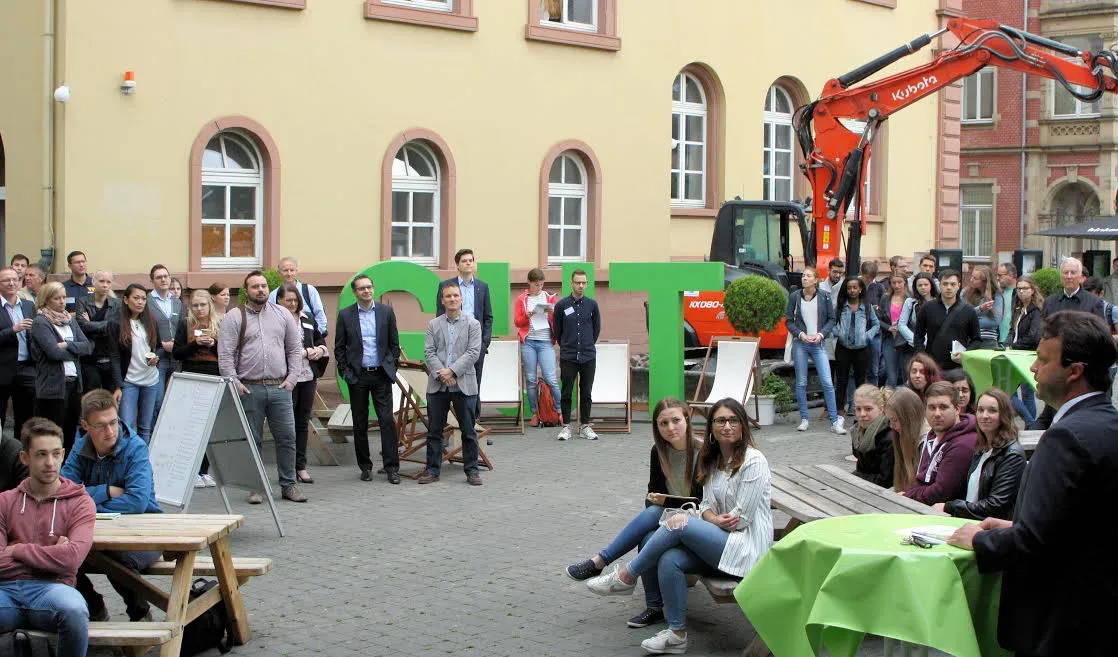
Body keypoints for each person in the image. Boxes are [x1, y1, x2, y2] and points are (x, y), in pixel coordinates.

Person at [948, 311, 1118, 657]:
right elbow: (1085, 523)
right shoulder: (1107, 425)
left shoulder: (1065, 438)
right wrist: (1016, 525)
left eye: (1043, 359)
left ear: (1074, 371)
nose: (1034, 368)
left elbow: (1033, 543)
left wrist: (980, 540)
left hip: (1062, 624)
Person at [585, 398, 773, 656]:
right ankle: (677, 634)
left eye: (733, 420)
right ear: (711, 426)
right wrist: (711, 518)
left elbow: (740, 520)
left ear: (743, 425)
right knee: (670, 558)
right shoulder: (713, 461)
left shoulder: (754, 460)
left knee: (679, 523)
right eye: (720, 420)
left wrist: (708, 520)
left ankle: (627, 576)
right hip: (721, 544)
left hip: (747, 550)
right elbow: (706, 504)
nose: (727, 426)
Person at [564, 398, 702, 630]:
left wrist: (663, 504)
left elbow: (705, 501)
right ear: (657, 427)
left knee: (654, 516)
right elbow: (652, 495)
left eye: (676, 420)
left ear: (687, 420)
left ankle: (600, 562)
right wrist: (657, 501)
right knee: (648, 536)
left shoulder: (703, 452)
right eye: (663, 423)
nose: (671, 428)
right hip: (668, 519)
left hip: (695, 523)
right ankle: (654, 608)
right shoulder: (658, 452)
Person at [63, 390, 161, 623]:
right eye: (101, 425)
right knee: (59, 553)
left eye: (113, 422)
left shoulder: (135, 448)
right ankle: (94, 606)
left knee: (112, 555)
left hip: (146, 533)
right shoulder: (80, 448)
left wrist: (85, 505)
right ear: (85, 426)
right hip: (97, 532)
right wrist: (106, 490)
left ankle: (140, 614)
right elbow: (63, 494)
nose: (110, 431)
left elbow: (136, 502)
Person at [0, 418, 95, 657]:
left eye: (55, 454)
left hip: (53, 590)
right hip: (5, 591)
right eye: (41, 454)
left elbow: (72, 559)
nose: (50, 463)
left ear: (63, 454)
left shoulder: (80, 503)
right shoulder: (5, 501)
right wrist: (53, 556)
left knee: (74, 610)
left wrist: (17, 549)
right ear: (25, 458)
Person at [217, 270, 307, 504]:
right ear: (246, 291)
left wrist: (292, 378)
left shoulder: (283, 314)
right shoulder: (234, 317)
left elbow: (294, 349)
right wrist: (234, 382)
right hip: (249, 388)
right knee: (252, 441)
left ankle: (289, 485)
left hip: (280, 388)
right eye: (255, 286)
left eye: (264, 286)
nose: (260, 290)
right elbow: (225, 355)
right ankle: (255, 487)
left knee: (287, 437)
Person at [334, 275, 400, 484]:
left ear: (373, 289)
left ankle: (391, 468)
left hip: (381, 374)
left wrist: (392, 366)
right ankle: (365, 467)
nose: (366, 291)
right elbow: (339, 347)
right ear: (355, 292)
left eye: (369, 287)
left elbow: (394, 343)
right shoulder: (346, 315)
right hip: (358, 376)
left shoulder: (386, 312)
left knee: (386, 421)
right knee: (360, 423)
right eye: (362, 288)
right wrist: (346, 372)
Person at [418, 283, 483, 486]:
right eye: (448, 296)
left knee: (468, 431)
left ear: (461, 299)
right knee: (434, 431)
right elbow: (429, 352)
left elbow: (473, 352)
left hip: (464, 384)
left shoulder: (473, 324)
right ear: (442, 300)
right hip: (438, 385)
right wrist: (443, 374)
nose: (452, 299)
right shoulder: (433, 324)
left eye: (455, 295)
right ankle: (432, 470)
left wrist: (453, 371)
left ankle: (472, 471)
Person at [933, 388, 1025, 521]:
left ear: (1004, 415)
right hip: (969, 520)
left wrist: (950, 507)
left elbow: (996, 506)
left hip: (993, 527)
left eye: (992, 410)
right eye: (980, 410)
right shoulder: (981, 448)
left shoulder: (1012, 454)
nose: (984, 416)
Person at [30, 282, 92, 453]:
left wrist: (67, 345)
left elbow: (87, 347)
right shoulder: (41, 322)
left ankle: (67, 467)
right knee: (54, 433)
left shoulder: (69, 320)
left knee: (71, 431)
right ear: (46, 300)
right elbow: (53, 353)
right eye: (57, 298)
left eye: (64, 297)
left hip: (74, 384)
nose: (62, 301)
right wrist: (75, 351)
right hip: (53, 387)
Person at [276, 284, 328, 486]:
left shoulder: (308, 319)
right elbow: (277, 350)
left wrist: (320, 349)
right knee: (286, 424)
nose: (292, 303)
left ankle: (301, 466)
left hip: (307, 376)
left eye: (295, 300)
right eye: (288, 300)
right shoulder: (275, 320)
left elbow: (320, 339)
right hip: (286, 377)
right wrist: (306, 352)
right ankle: (287, 468)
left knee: (302, 422)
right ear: (279, 301)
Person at [785, 266, 845, 434]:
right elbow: (788, 320)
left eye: (808, 276)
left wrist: (821, 334)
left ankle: (835, 421)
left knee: (827, 382)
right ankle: (804, 419)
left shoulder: (824, 297)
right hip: (801, 343)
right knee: (801, 382)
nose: (804, 278)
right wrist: (800, 334)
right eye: (803, 276)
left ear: (816, 280)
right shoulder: (795, 296)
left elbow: (832, 319)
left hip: (818, 344)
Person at [436, 249, 493, 422]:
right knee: (450, 382)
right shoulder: (446, 286)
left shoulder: (482, 287)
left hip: (475, 343)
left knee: (474, 383)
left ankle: (473, 424)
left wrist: (484, 344)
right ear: (457, 265)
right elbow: (440, 315)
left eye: (471, 260)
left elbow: (488, 317)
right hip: (453, 341)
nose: (468, 263)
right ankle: (451, 423)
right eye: (464, 261)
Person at [172, 289, 221, 488]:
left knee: (210, 426)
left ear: (210, 305)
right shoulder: (185, 324)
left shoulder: (219, 323)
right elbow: (177, 353)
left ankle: (204, 471)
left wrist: (213, 344)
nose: (199, 309)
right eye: (195, 305)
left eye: (203, 305)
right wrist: (195, 344)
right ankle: (190, 471)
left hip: (214, 375)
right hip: (191, 374)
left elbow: (226, 353)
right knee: (191, 425)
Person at [903, 380, 977, 504]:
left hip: (945, 512)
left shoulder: (963, 444)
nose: (937, 414)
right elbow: (921, 479)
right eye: (932, 408)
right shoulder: (932, 435)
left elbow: (940, 493)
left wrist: (909, 495)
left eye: (943, 407)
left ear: (957, 409)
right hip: (922, 504)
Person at [107, 284, 162, 444]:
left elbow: (158, 347)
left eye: (143, 299)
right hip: (129, 381)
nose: (140, 302)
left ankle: (143, 457)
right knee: (127, 425)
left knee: (145, 427)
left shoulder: (151, 320)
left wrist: (156, 358)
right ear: (126, 299)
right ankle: (126, 457)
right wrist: (118, 386)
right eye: (136, 298)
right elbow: (114, 356)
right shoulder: (116, 323)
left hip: (150, 380)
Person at [553, 269, 602, 441]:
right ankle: (566, 426)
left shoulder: (592, 305)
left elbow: (596, 329)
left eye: (583, 282)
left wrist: (587, 344)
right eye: (577, 282)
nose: (581, 285)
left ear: (586, 284)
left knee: (586, 393)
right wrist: (567, 345)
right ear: (571, 283)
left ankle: (585, 426)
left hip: (588, 355)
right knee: (566, 391)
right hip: (569, 356)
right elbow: (557, 330)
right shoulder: (561, 306)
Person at [512, 268, 562, 427]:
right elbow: (517, 322)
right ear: (529, 283)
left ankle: (559, 411)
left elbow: (558, 318)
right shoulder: (522, 299)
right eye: (536, 285)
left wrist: (553, 312)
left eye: (541, 285)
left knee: (551, 378)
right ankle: (535, 413)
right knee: (531, 379)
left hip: (546, 341)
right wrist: (526, 316)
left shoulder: (549, 297)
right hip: (529, 342)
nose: (539, 288)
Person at [914, 268, 979, 371]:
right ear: (939, 285)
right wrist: (922, 357)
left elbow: (976, 339)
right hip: (932, 366)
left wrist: (965, 355)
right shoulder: (927, 308)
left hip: (958, 367)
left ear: (958, 286)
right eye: (945, 284)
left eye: (953, 284)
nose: (949, 287)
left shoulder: (969, 311)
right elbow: (918, 335)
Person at [0, 267, 37, 440]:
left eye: (15, 279)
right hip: (3, 369)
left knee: (26, 418)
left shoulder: (29, 305)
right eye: (6, 280)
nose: (11, 283)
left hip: (27, 368)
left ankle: (21, 453)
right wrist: (12, 330)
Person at [834, 277, 878, 415]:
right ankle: (839, 410)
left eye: (855, 288)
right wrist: (839, 333)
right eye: (849, 288)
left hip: (861, 348)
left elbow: (876, 325)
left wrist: (867, 336)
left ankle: (860, 409)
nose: (852, 290)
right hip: (843, 347)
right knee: (841, 380)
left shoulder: (867, 306)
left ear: (860, 289)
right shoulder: (841, 306)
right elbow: (832, 323)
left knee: (860, 380)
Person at [75, 270, 119, 395]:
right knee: (91, 395)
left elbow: (116, 327)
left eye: (108, 282)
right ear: (93, 282)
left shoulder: (117, 304)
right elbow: (82, 326)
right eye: (101, 281)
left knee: (110, 396)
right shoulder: (83, 301)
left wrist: (91, 323)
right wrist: (106, 325)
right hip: (90, 357)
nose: (105, 285)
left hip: (110, 355)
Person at [1008, 277, 1043, 424]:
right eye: (1019, 288)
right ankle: (1030, 423)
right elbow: (1012, 330)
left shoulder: (1036, 311)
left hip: (1027, 355)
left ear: (1032, 290)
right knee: (1011, 391)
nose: (1021, 292)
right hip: (1015, 354)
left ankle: (1030, 423)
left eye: (1025, 288)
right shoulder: (1018, 309)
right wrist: (1007, 343)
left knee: (1023, 393)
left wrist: (1013, 346)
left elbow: (1034, 336)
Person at [268, 256, 328, 336]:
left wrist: (316, 336)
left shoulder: (309, 290)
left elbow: (320, 314)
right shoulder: (274, 295)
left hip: (310, 338)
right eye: (285, 270)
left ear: (296, 271)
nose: (289, 274)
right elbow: (270, 319)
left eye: (292, 270)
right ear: (279, 273)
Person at [146, 265, 182, 395]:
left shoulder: (177, 302)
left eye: (165, 276)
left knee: (175, 396)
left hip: (176, 357)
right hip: (157, 357)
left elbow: (181, 327)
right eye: (159, 277)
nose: (163, 279)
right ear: (152, 281)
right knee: (158, 398)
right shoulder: (146, 301)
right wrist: (162, 344)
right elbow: (143, 329)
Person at [850, 385, 895, 488]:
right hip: (865, 486)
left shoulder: (889, 437)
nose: (862, 414)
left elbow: (886, 480)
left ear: (881, 409)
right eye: (858, 409)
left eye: (868, 409)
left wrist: (854, 478)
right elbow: (861, 469)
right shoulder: (856, 432)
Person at [885, 387, 926, 493]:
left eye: (895, 420)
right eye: (890, 420)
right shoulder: (901, 435)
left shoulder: (926, 443)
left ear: (909, 417)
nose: (892, 426)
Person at [897, 271, 937, 380]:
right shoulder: (910, 302)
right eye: (920, 285)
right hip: (913, 347)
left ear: (931, 285)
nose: (923, 288)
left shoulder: (938, 302)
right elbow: (902, 324)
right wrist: (915, 340)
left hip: (933, 346)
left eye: (926, 284)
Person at [879, 271, 910, 388]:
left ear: (905, 283)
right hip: (890, 339)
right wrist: (888, 327)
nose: (897, 286)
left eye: (899, 282)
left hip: (906, 340)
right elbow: (878, 319)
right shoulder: (885, 298)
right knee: (891, 375)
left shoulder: (910, 299)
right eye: (893, 283)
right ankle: (890, 397)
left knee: (906, 373)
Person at [964, 265, 1003, 349]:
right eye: (972, 276)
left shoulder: (996, 295)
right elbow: (963, 315)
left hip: (988, 340)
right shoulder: (965, 293)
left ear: (985, 281)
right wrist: (980, 309)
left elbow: (995, 321)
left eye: (975, 278)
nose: (971, 280)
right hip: (968, 338)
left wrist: (971, 322)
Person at [996, 263, 1017, 344]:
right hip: (998, 339)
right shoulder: (998, 293)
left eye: (1000, 275)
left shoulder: (1019, 293)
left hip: (1012, 341)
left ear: (1011, 275)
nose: (997, 278)